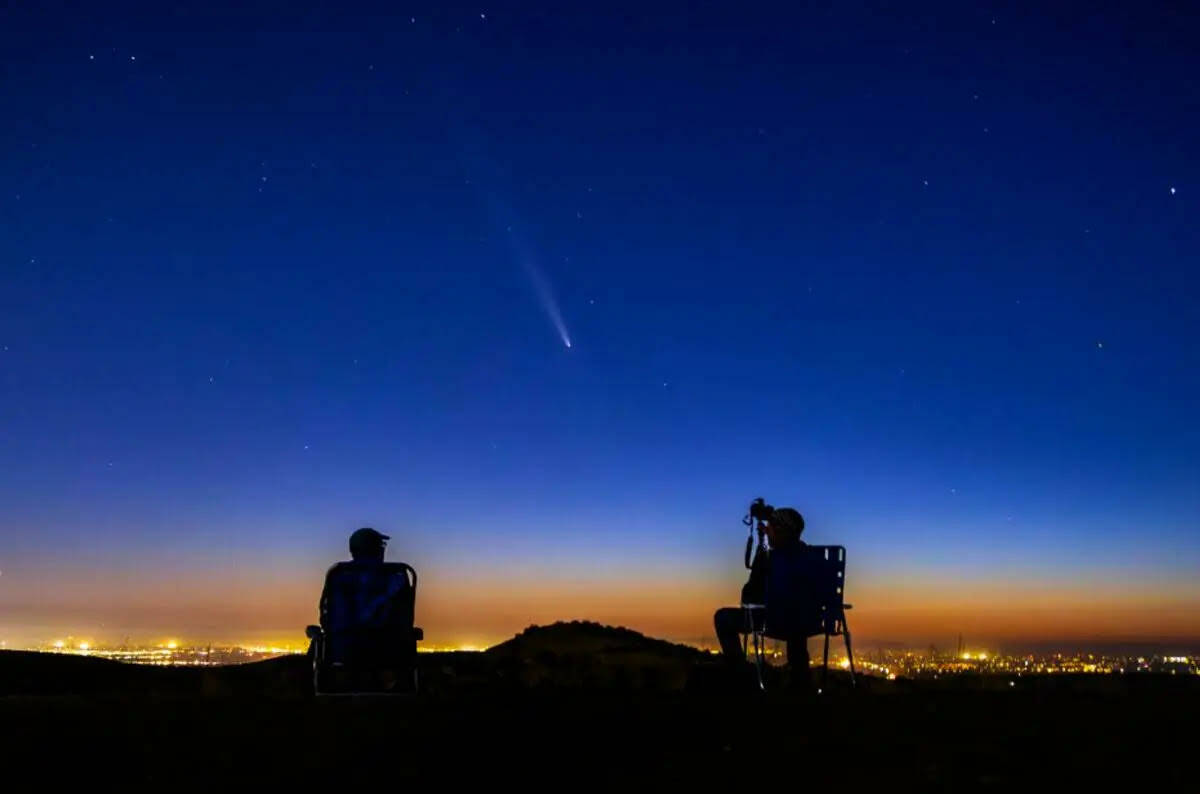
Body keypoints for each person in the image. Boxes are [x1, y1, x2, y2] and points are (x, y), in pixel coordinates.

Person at [712, 507, 813, 684]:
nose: (767, 531)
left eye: (771, 528)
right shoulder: (810, 556)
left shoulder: (770, 559)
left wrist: (763, 546)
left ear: (780, 531)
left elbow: (749, 596)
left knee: (722, 617)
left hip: (773, 620)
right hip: (808, 620)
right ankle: (801, 678)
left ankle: (739, 673)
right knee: (796, 613)